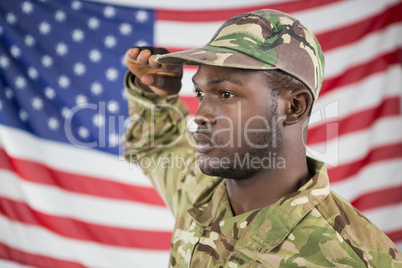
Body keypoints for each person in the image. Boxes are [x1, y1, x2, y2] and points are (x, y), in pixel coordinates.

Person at [123, 9, 402, 267]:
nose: (200, 115)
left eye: (226, 94)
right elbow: (157, 144)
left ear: (294, 107)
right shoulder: (201, 192)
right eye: (200, 94)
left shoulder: (355, 258)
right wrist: (155, 96)